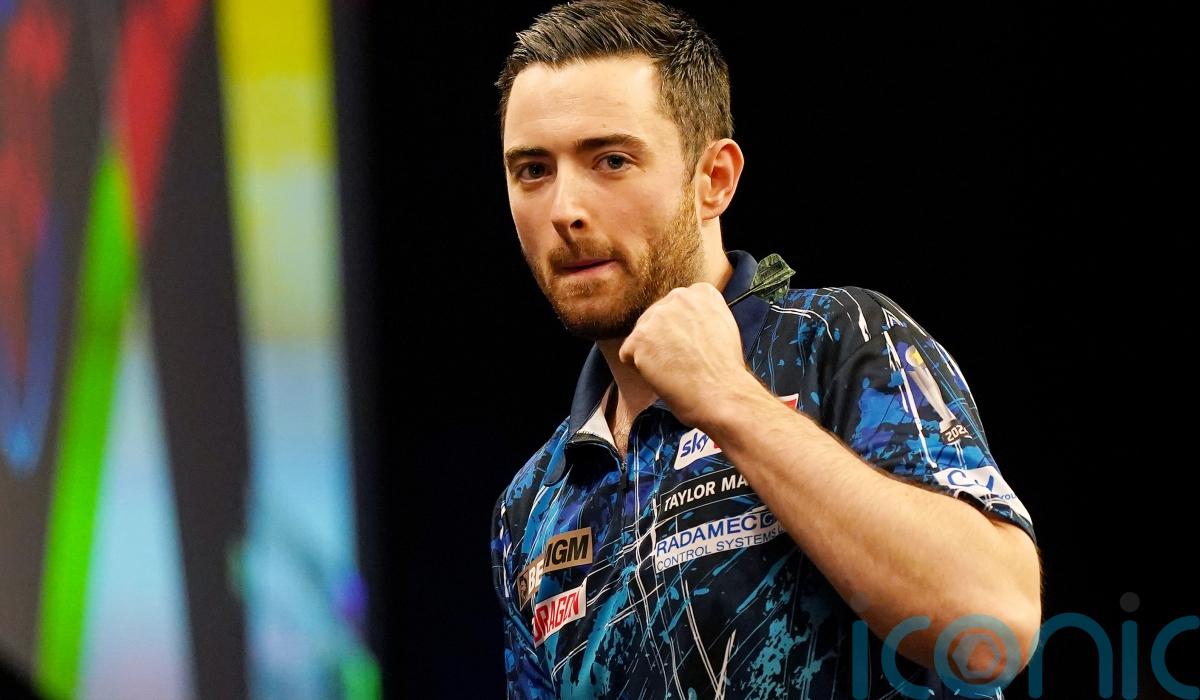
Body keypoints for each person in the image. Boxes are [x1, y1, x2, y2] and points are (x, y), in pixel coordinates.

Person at [489, 1, 1042, 697]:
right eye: (533, 170)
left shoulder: (840, 341)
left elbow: (992, 631)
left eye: (612, 160)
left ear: (714, 180)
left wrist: (729, 398)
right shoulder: (531, 506)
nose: (565, 209)